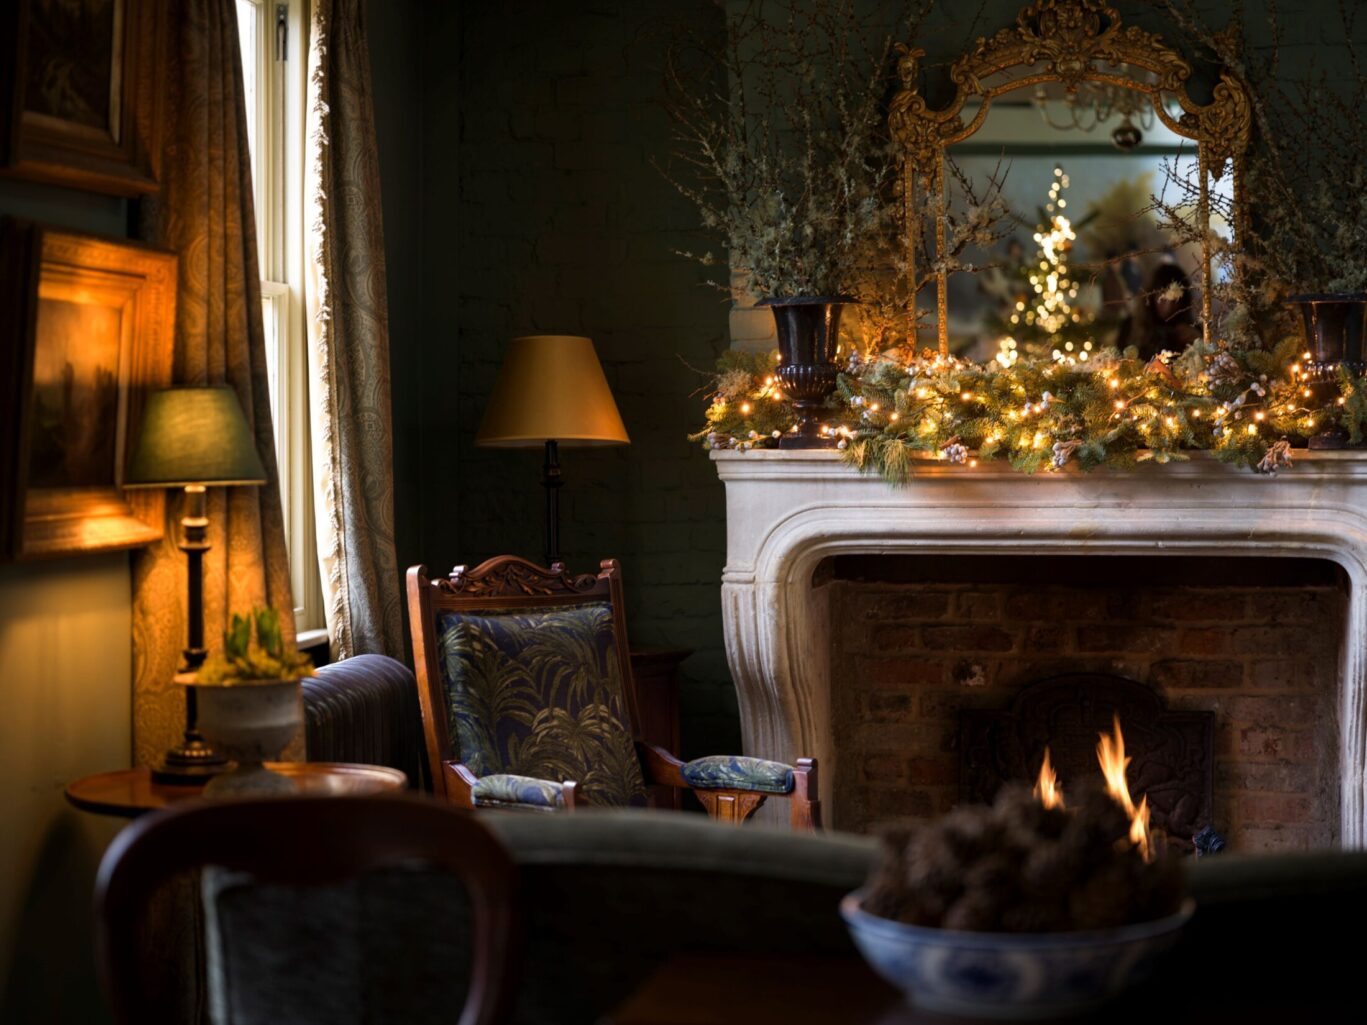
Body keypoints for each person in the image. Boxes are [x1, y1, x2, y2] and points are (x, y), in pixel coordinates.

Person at [1114, 261, 1200, 360]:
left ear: (1183, 301)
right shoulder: (1130, 327)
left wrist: (1198, 343)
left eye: (1175, 301)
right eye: (1163, 299)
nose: (1168, 307)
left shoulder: (1191, 329)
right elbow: (1119, 363)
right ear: (1152, 297)